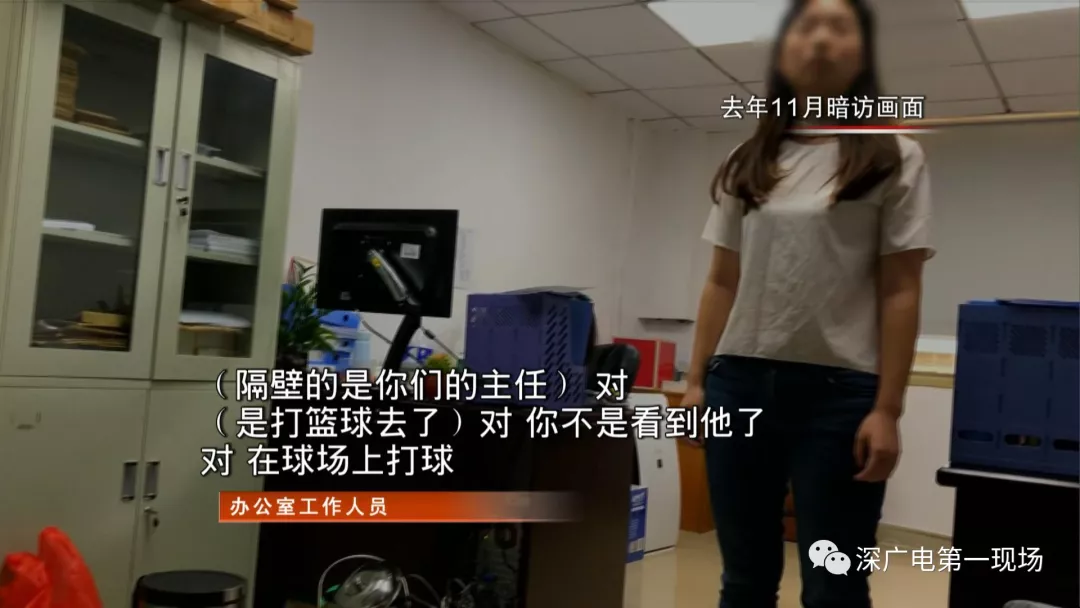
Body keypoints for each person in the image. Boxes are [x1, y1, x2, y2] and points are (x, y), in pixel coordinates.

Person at [680, 1, 933, 608]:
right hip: (739, 384)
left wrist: (888, 409)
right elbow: (721, 281)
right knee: (744, 579)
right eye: (804, 27)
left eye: (838, 27)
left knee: (834, 585)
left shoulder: (893, 155)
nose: (819, 40)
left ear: (862, 53)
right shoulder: (748, 158)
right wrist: (695, 382)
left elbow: (901, 289)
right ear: (783, 52)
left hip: (840, 396)